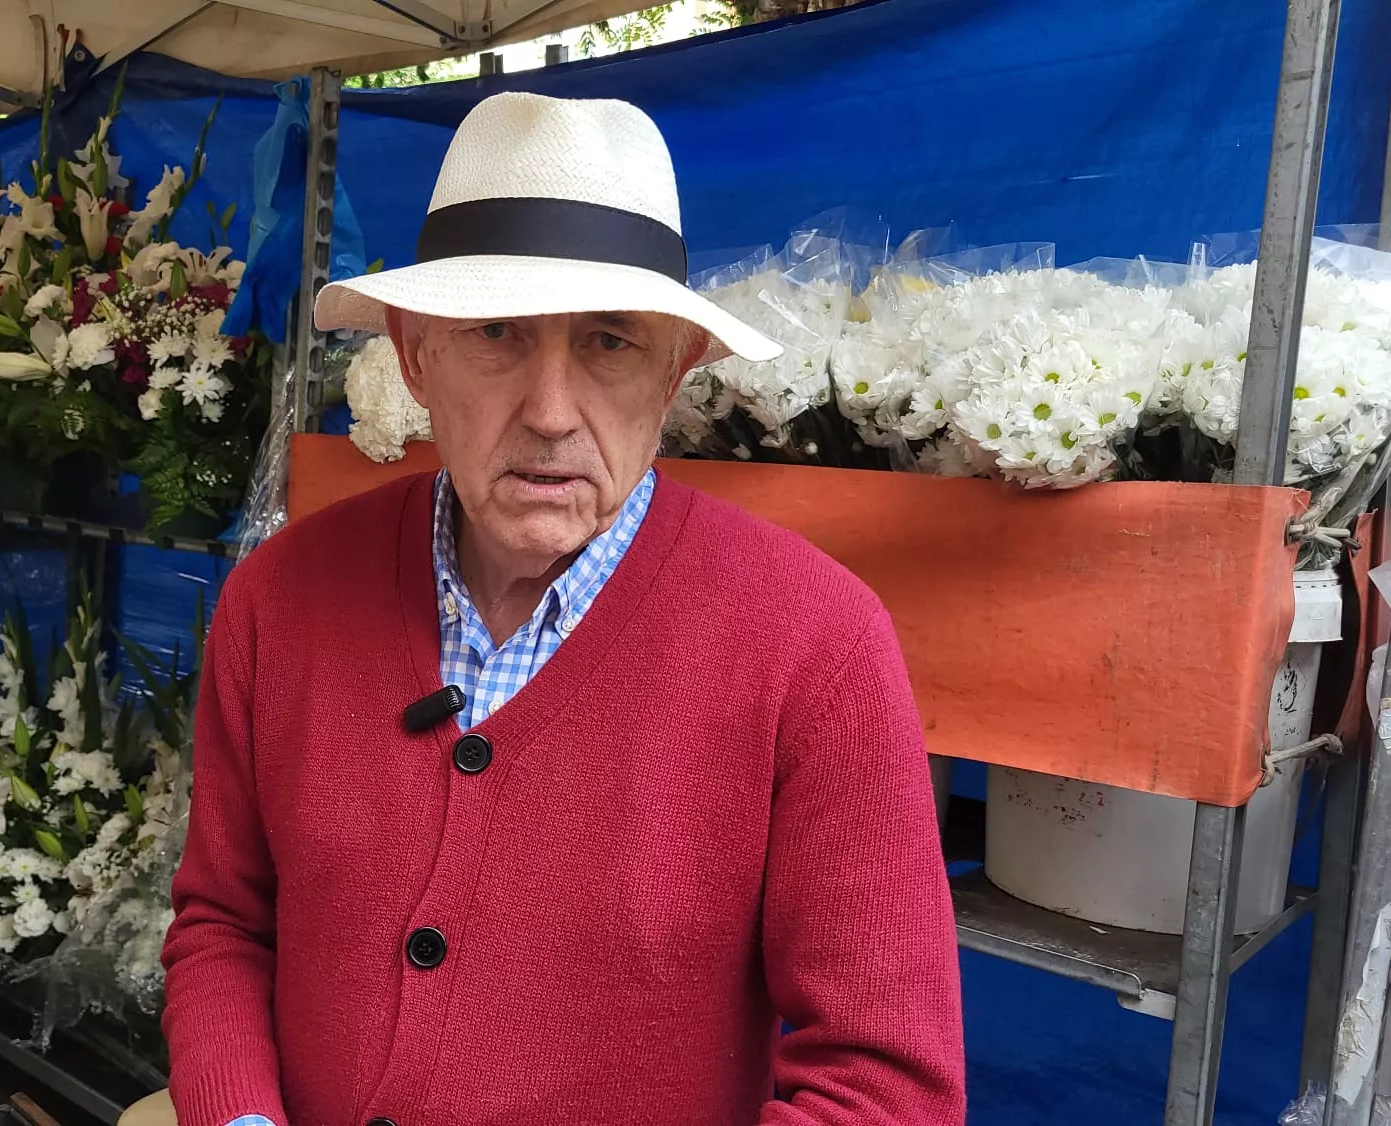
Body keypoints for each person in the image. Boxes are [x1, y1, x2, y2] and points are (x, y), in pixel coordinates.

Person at [159, 93, 965, 1126]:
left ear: (674, 370)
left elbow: (884, 1086)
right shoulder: (279, 599)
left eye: (608, 343)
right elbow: (225, 920)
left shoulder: (817, 647)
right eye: (496, 333)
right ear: (413, 355)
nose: (547, 411)